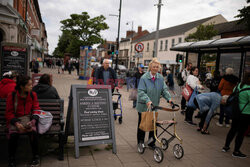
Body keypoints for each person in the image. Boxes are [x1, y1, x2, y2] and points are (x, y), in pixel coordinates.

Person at [5, 75, 40, 167]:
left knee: (33, 133)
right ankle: (11, 158)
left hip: (28, 118)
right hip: (15, 119)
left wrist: (33, 121)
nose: (31, 86)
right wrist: (16, 123)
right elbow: (9, 113)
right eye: (29, 85)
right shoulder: (12, 96)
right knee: (14, 135)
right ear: (22, 86)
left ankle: (35, 156)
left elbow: (36, 108)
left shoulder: (33, 95)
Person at [136, 58, 172, 148]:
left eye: (157, 67)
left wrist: (169, 99)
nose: (155, 68)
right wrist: (147, 100)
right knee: (142, 124)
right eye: (154, 67)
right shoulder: (144, 78)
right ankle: (140, 142)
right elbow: (141, 91)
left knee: (153, 125)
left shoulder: (160, 78)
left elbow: (164, 90)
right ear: (150, 67)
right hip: (143, 105)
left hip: (154, 105)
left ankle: (151, 142)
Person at [222, 71, 250, 158]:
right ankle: (236, 151)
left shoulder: (238, 86)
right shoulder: (249, 89)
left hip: (235, 112)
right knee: (241, 133)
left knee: (232, 130)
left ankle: (226, 146)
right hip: (245, 113)